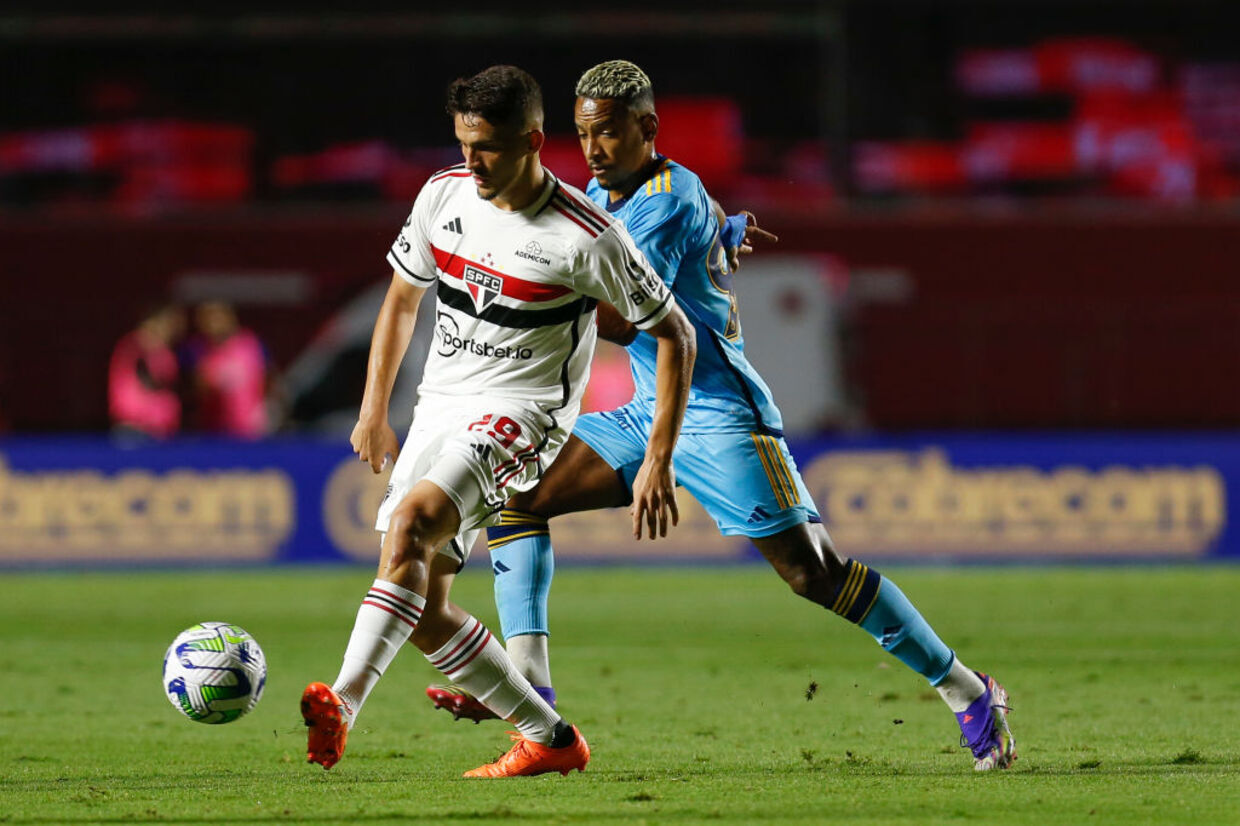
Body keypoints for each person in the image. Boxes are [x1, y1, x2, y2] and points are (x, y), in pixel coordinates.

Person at [425, 60, 1016, 772]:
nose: (594, 150)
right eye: (584, 135)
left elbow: (615, 314)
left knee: (815, 573)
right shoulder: (626, 192)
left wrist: (652, 451)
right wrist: (721, 228)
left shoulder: (667, 202)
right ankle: (529, 697)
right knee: (516, 497)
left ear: (648, 128)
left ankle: (969, 691)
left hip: (721, 413)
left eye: (609, 133)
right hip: (648, 402)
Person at [299, 64, 697, 778]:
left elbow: (677, 332)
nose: (473, 162)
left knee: (414, 521)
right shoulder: (441, 196)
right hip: (437, 408)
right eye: (464, 144)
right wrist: (373, 411)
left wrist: (660, 459)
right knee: (419, 604)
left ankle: (344, 703)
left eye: (488, 148)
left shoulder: (587, 236)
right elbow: (400, 299)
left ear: (534, 141)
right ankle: (549, 738)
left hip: (522, 413)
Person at [186, 301, 270, 438]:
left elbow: (267, 377)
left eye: (217, 318)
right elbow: (196, 388)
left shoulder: (250, 343)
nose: (213, 324)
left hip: (250, 428)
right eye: (208, 319)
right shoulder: (198, 350)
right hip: (214, 430)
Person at [108, 303, 185, 439]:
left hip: (161, 431)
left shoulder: (164, 350)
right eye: (171, 323)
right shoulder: (136, 343)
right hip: (135, 429)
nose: (175, 330)